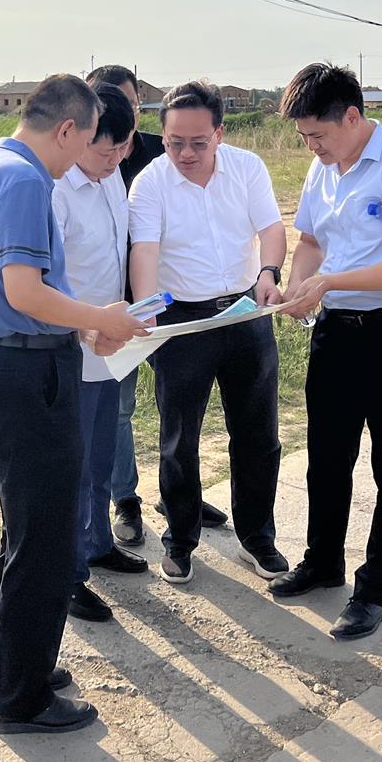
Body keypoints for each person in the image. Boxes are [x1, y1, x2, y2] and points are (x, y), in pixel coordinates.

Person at [0, 74, 145, 735]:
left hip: (11, 365)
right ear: (66, 130)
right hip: (30, 376)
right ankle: (23, 698)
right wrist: (99, 317)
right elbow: (24, 291)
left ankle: (9, 670)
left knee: (24, 535)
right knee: (45, 543)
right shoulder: (26, 180)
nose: (81, 159)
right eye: (85, 143)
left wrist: (83, 328)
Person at [270, 64, 382, 644]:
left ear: (352, 116)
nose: (312, 147)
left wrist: (327, 283)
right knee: (326, 456)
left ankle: (376, 589)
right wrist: (298, 285)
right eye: (304, 137)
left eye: (318, 135)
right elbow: (311, 241)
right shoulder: (322, 169)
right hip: (337, 330)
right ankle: (323, 562)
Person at [127, 80, 288, 586]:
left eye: (198, 142)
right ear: (163, 135)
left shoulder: (247, 168)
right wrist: (146, 312)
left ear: (219, 133)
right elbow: (144, 251)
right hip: (183, 321)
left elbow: (271, 229)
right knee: (179, 438)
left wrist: (269, 273)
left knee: (258, 433)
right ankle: (180, 539)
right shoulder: (150, 183)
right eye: (175, 142)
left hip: (244, 313)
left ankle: (257, 537)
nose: (186, 153)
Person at [86, 64, 229, 547]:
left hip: (168, 305)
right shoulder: (84, 161)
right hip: (114, 311)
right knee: (119, 409)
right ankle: (125, 499)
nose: (127, 122)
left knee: (180, 409)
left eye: (133, 107)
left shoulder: (159, 150)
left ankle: (179, 497)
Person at [51, 83, 150, 625]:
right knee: (72, 465)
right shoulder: (54, 190)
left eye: (122, 149)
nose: (113, 161)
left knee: (100, 457)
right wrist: (87, 326)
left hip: (111, 348)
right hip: (72, 347)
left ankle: (96, 544)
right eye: (104, 150)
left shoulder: (111, 179)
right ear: (77, 134)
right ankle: (66, 575)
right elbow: (43, 284)